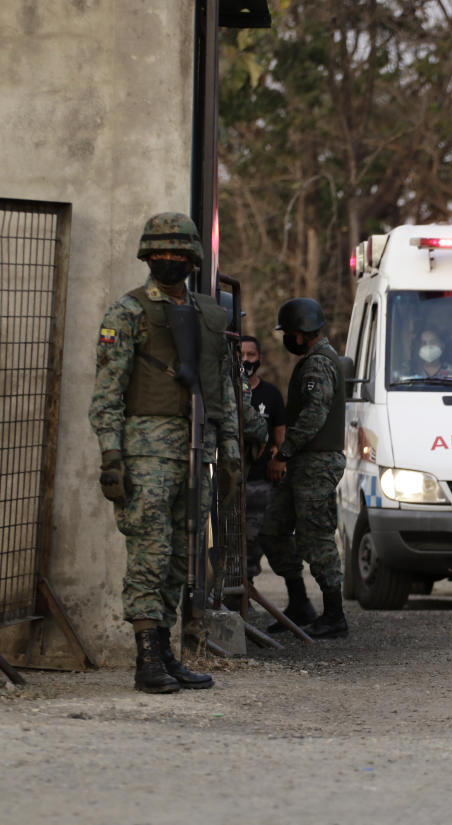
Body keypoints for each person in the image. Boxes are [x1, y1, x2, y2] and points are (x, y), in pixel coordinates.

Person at [89, 212, 239, 693]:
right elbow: (107, 394)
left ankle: (168, 653)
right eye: (161, 254)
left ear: (193, 259)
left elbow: (224, 390)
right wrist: (112, 456)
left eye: (178, 254)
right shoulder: (127, 313)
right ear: (147, 257)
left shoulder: (209, 316)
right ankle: (147, 658)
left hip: (197, 451)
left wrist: (231, 448)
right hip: (146, 456)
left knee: (183, 557)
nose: (169, 261)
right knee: (149, 556)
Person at [259, 297, 349, 639]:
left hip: (316, 462)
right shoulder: (317, 360)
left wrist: (283, 452)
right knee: (272, 530)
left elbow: (314, 415)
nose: (287, 339)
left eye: (289, 333)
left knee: (316, 537)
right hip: (303, 462)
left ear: (300, 334)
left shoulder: (318, 365)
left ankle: (335, 614)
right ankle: (299, 603)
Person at [238, 335, 286, 580]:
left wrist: (280, 460)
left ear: (260, 359)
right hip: (232, 481)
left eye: (251, 355)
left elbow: (281, 437)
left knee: (254, 544)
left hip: (260, 483)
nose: (246, 360)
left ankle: (245, 596)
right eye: (241, 354)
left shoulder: (271, 394)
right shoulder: (228, 393)